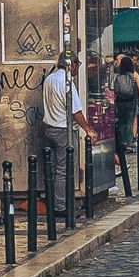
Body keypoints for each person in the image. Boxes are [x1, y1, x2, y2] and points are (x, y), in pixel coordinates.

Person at [42, 51, 95, 217]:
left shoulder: (49, 78)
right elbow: (76, 111)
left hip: (49, 127)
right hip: (62, 129)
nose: (77, 67)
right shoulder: (66, 82)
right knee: (63, 170)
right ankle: (61, 206)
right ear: (70, 64)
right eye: (77, 64)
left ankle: (55, 202)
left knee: (53, 169)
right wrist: (88, 130)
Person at [110, 54, 139, 188]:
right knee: (129, 121)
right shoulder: (134, 75)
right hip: (130, 101)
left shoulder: (117, 76)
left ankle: (122, 140)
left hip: (120, 102)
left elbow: (114, 90)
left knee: (121, 121)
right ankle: (127, 141)